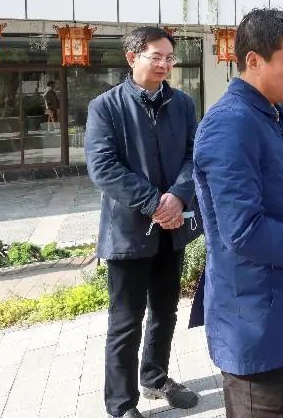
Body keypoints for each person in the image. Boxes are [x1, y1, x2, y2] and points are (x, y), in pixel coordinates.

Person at [193, 9, 283, 417]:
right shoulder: (231, 125)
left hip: (277, 303)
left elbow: (280, 196)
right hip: (253, 313)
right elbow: (242, 229)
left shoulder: (273, 114)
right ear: (254, 61)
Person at [85, 27, 201, 418]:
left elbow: (194, 155)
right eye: (157, 56)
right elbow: (103, 167)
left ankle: (155, 377)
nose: (165, 64)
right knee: (125, 321)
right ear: (132, 57)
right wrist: (154, 203)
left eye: (170, 57)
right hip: (128, 233)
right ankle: (121, 404)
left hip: (172, 230)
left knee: (165, 312)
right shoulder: (106, 106)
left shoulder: (182, 104)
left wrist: (179, 195)